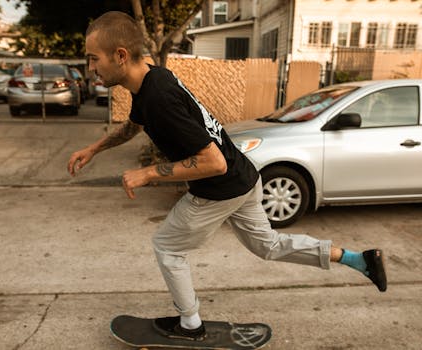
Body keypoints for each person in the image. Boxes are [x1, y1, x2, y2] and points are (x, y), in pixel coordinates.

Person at [68, 11, 387, 341]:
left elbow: (213, 162)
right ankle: (358, 259)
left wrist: (148, 173)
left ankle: (190, 325)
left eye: (94, 59)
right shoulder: (152, 79)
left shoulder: (159, 96)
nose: (91, 67)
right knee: (269, 246)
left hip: (220, 185)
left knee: (167, 248)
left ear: (120, 56)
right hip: (245, 177)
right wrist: (95, 148)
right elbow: (136, 123)